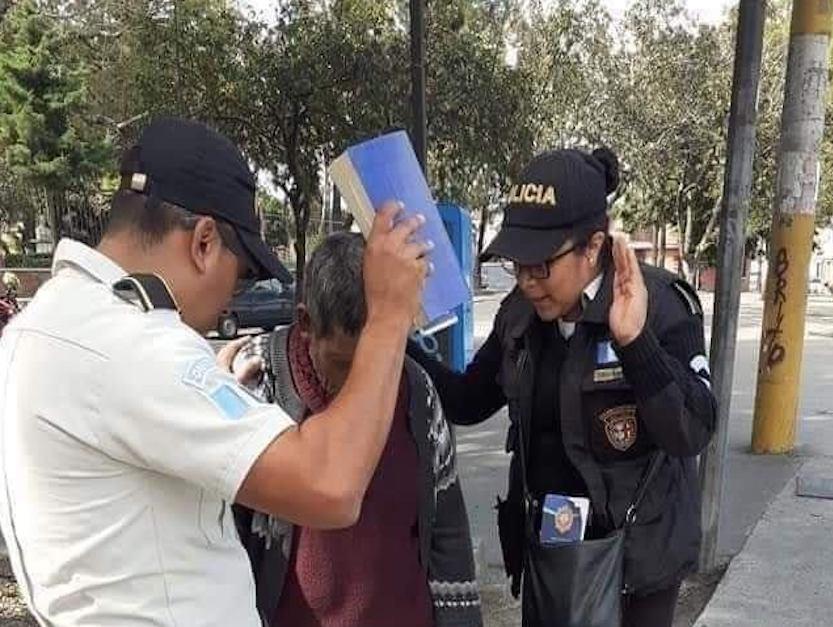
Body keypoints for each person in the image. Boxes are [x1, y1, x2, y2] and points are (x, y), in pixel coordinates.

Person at [0, 117, 428, 627]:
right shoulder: (127, 344)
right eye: (240, 276)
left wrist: (210, 399)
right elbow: (330, 484)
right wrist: (388, 315)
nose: (230, 299)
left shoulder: (46, 326)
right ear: (204, 242)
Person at [409, 147, 716, 626]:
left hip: (636, 566)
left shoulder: (660, 305)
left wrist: (635, 343)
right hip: (552, 555)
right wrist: (395, 338)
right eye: (517, 265)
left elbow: (692, 430)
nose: (528, 282)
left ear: (592, 247)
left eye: (541, 266)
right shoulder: (520, 315)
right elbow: (468, 400)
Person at [231, 232, 482, 627]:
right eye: (344, 364)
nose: (364, 384)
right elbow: (219, 533)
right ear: (306, 323)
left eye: (382, 356)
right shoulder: (254, 382)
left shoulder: (417, 389)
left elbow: (448, 530)